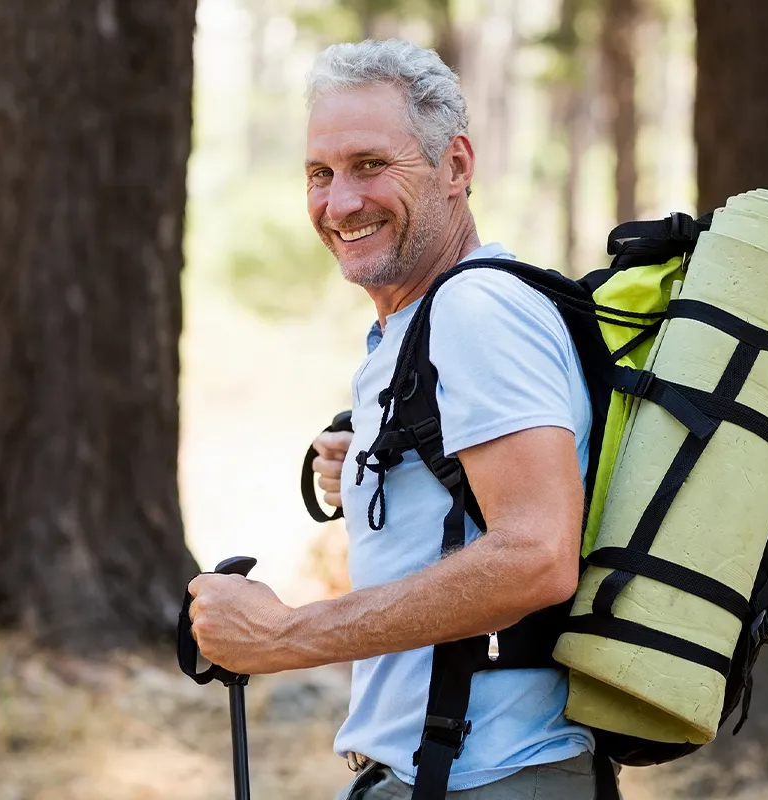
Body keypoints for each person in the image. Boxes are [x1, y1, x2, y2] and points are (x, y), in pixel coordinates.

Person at [188, 39, 616, 798]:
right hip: (439, 772)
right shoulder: (415, 322)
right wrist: (371, 462)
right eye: (320, 174)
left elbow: (537, 555)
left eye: (370, 165)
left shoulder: (477, 310)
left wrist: (282, 636)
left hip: (490, 777)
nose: (339, 202)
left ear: (456, 166)